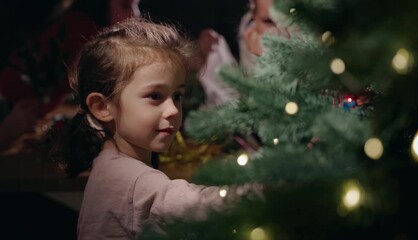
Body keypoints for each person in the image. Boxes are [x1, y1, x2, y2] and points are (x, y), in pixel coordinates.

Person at [48, 17, 262, 239]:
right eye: (155, 96)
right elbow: (205, 207)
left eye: (177, 96)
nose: (173, 110)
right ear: (102, 107)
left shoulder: (111, 164)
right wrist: (277, 184)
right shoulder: (130, 179)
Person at [0, 0, 141, 149]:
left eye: (136, 4)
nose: (135, 14)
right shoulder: (84, 30)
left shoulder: (81, 25)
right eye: (125, 5)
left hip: (25, 112)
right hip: (12, 107)